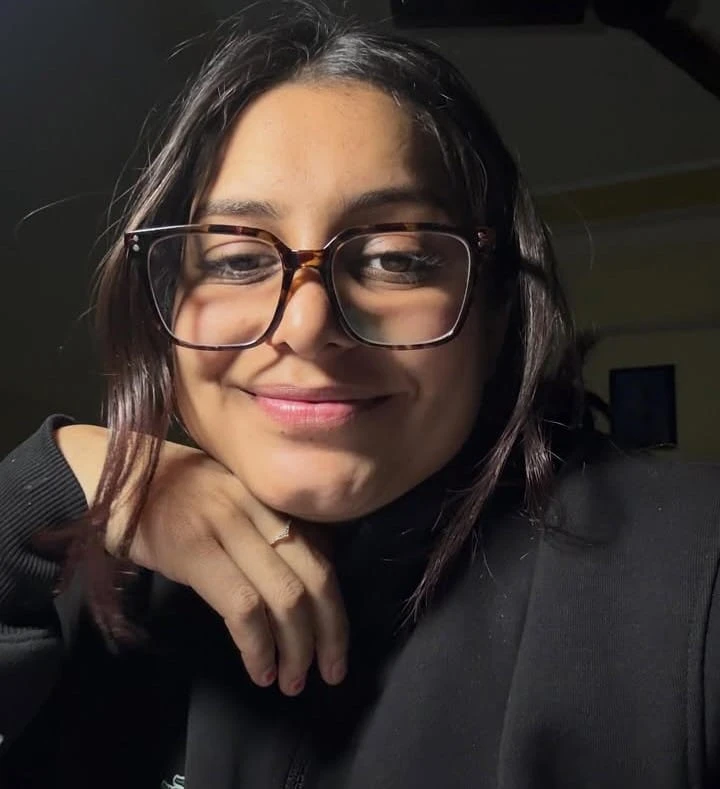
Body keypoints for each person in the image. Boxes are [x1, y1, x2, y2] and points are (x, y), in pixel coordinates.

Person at [1, 3, 719, 787]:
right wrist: (41, 490)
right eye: (237, 260)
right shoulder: (81, 581)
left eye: (395, 259)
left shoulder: (687, 579)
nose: (307, 327)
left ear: (496, 314)